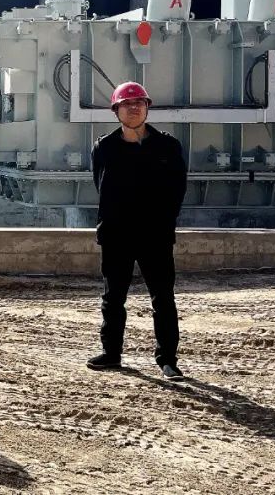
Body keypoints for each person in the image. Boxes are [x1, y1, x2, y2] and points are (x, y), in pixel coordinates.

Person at [87, 82, 188, 380]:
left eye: (139, 103)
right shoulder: (105, 147)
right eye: (127, 104)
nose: (134, 108)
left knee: (163, 298)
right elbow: (100, 185)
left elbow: (177, 190)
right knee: (113, 298)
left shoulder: (167, 146)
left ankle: (167, 360)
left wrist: (164, 223)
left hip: (155, 236)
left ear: (147, 108)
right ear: (116, 110)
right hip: (117, 235)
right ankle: (111, 354)